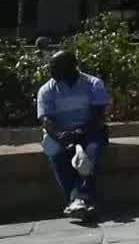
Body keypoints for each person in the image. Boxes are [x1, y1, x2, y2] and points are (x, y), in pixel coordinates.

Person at [36, 51, 109, 220]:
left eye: (55, 67)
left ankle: (78, 198)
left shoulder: (93, 84)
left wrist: (80, 133)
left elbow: (98, 116)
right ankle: (81, 200)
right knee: (54, 151)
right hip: (60, 133)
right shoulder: (46, 90)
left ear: (71, 67)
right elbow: (46, 120)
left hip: (89, 130)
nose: (50, 71)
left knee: (91, 151)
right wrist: (60, 135)